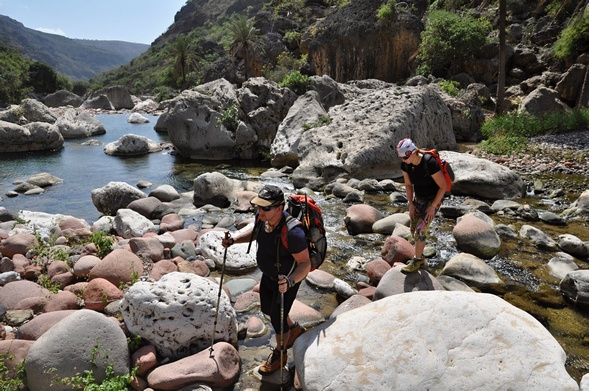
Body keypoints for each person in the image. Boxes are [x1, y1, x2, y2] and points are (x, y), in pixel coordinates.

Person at [221, 184, 310, 374]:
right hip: (269, 276)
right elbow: (255, 231)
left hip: (286, 280)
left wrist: (290, 282)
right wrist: (234, 240)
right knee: (268, 309)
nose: (260, 211)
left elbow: (305, 264)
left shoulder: (293, 232)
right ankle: (293, 329)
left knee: (277, 318)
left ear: (279, 208)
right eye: (258, 206)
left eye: (265, 208)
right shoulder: (263, 218)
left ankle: (280, 354)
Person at [396, 138, 447, 274]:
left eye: (404, 157)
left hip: (433, 200)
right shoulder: (406, 165)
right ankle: (422, 258)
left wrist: (433, 206)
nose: (402, 160)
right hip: (418, 199)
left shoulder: (429, 163)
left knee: (420, 230)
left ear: (411, 152)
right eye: (400, 157)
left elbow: (443, 186)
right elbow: (408, 185)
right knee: (413, 230)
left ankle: (417, 260)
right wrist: (411, 204)